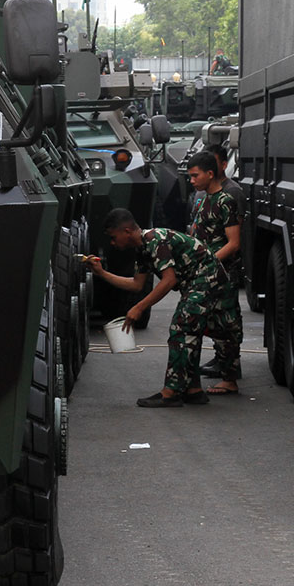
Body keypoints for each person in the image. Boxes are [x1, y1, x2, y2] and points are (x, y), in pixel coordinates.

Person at [89, 208, 239, 408]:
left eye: (113, 237)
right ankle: (193, 390)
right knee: (190, 331)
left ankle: (171, 392)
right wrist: (102, 273)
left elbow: (169, 281)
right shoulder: (143, 248)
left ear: (126, 231)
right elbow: (136, 284)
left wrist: (139, 307)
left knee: (182, 328)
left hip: (208, 279)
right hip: (199, 282)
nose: (112, 243)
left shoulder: (154, 240)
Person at [186, 151, 244, 393]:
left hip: (221, 275)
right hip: (201, 275)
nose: (192, 180)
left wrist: (209, 262)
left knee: (226, 327)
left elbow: (233, 243)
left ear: (210, 174)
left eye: (195, 176)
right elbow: (194, 234)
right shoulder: (200, 200)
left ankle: (229, 380)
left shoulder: (226, 200)